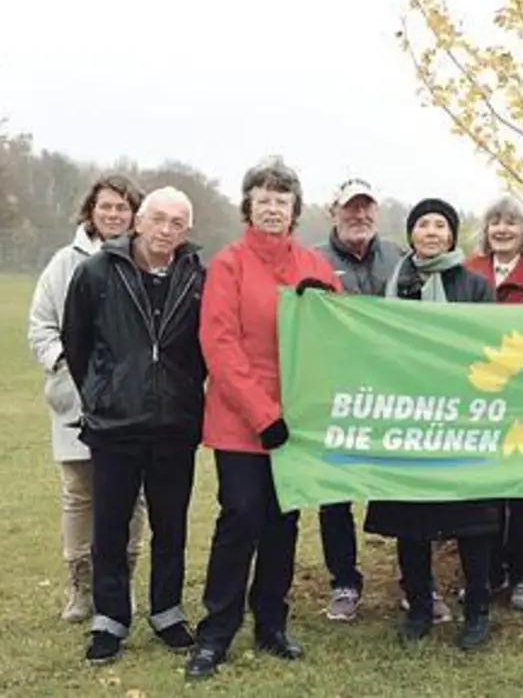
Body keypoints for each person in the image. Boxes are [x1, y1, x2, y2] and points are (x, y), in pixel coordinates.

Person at [185, 159, 343, 680]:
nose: (273, 208)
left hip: (296, 421)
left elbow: (343, 331)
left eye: (282, 199)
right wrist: (261, 413)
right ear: (248, 206)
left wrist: (330, 305)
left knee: (283, 522)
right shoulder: (229, 265)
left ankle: (271, 623)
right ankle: (216, 632)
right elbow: (220, 344)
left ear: (295, 209)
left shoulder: (314, 264)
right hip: (241, 419)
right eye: (264, 199)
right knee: (241, 518)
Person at [61, 186, 208, 664]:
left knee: (171, 525)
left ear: (187, 230)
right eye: (158, 219)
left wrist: (184, 391)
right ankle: (109, 619)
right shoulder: (97, 272)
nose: (166, 230)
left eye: (177, 223)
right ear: (138, 221)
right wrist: (101, 393)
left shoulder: (197, 276)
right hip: (115, 425)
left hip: (175, 424)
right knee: (110, 526)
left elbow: (205, 347)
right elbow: (77, 341)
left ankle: (167, 611)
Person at [363, 198, 500, 651]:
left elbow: (487, 347)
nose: (432, 232)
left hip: (460, 418)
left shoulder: (474, 285)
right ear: (411, 234)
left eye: (441, 224)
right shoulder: (392, 283)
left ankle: (477, 610)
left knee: (472, 520)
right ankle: (419, 607)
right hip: (408, 419)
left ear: (452, 235)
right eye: (423, 224)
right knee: (411, 520)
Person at [26, 174, 150, 624]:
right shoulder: (65, 263)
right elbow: (40, 326)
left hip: (132, 403)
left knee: (131, 496)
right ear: (91, 211)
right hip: (77, 399)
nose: (114, 214)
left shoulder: (146, 260)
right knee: (80, 492)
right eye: (106, 206)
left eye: (122, 207)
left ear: (135, 214)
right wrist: (71, 364)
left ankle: (120, 582)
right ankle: (81, 585)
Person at [310, 176, 400, 622]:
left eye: (366, 207)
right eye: (350, 208)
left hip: (393, 394)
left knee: (403, 488)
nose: (359, 215)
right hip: (337, 395)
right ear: (334, 212)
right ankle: (344, 580)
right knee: (335, 494)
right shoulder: (313, 261)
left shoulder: (399, 257)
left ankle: (412, 580)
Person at [463, 193, 523, 612]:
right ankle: (488, 570)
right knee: (484, 488)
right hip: (479, 394)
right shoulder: (468, 271)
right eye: (495, 221)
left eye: (511, 222)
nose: (502, 229)